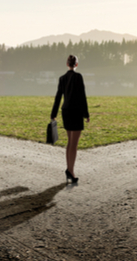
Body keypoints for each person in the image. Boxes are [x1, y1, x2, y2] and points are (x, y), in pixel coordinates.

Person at [50, 54, 90, 184]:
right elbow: (82, 96)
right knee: (74, 144)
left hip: (65, 111)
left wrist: (53, 114)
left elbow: (58, 97)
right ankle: (71, 171)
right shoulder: (78, 77)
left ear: (67, 64)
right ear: (76, 64)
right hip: (76, 111)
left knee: (69, 142)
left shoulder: (62, 78)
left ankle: (69, 169)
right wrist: (86, 114)